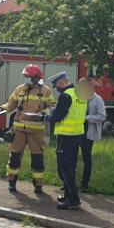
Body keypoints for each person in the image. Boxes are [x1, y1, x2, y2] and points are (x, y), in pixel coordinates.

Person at [0, 64, 55, 194]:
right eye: (25, 76)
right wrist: (1, 108)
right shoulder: (20, 89)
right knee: (14, 157)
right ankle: (11, 182)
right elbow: (11, 104)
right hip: (19, 130)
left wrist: (43, 113)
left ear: (36, 77)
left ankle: (38, 185)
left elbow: (51, 107)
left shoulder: (46, 90)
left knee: (37, 159)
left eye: (28, 76)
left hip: (36, 131)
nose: (26, 78)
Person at [46, 71, 88, 209]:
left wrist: (45, 116)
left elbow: (58, 116)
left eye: (57, 86)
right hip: (77, 134)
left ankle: (74, 199)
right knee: (71, 166)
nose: (57, 88)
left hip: (66, 135)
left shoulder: (65, 95)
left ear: (62, 82)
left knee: (65, 168)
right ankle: (69, 195)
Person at [80, 77, 106, 193]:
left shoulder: (97, 100)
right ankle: (69, 183)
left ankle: (84, 184)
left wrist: (87, 118)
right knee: (71, 157)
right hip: (76, 131)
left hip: (88, 133)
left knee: (86, 158)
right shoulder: (79, 98)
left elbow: (102, 116)